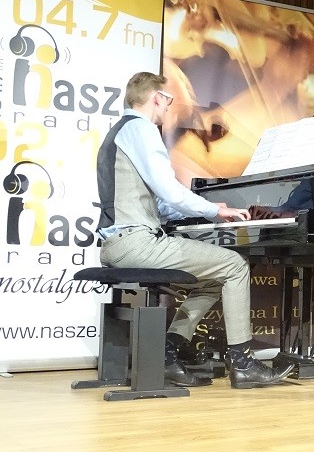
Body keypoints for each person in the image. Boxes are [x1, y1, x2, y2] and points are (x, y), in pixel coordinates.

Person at [95, 71, 293, 389]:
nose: (169, 107)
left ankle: (168, 353)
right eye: (168, 99)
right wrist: (215, 210)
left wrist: (207, 212)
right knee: (235, 265)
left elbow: (160, 205)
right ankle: (243, 365)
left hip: (117, 243)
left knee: (214, 279)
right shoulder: (141, 128)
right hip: (135, 242)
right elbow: (171, 192)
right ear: (157, 97)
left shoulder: (119, 131)